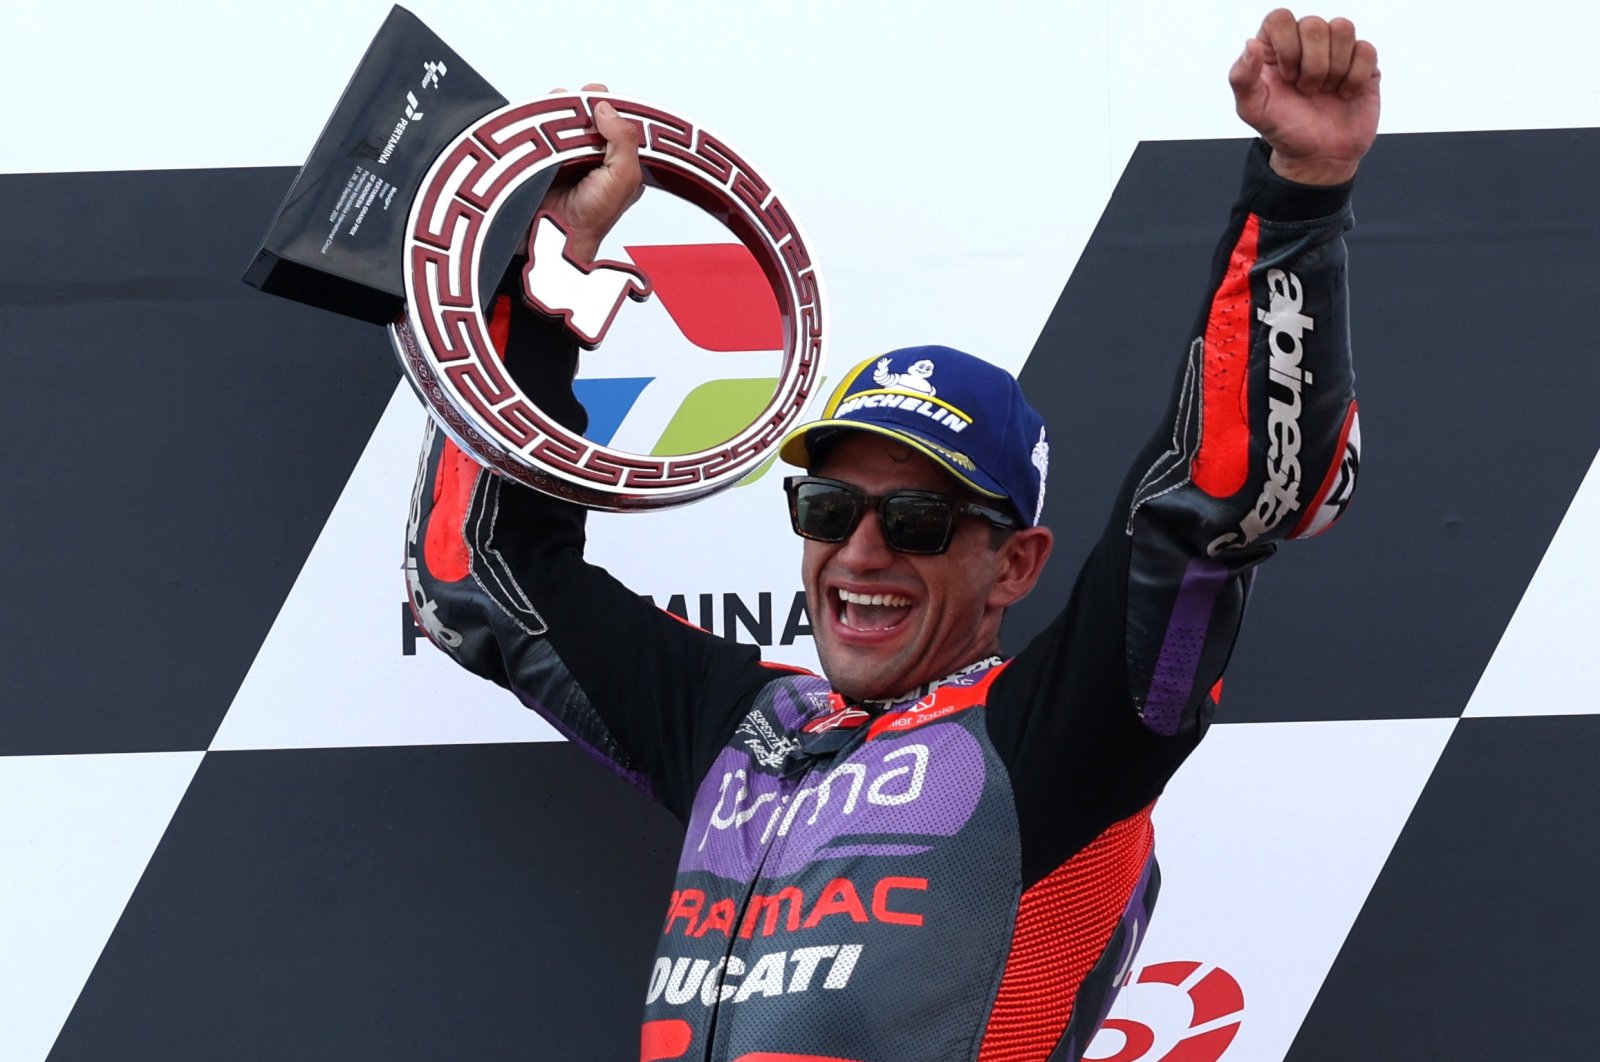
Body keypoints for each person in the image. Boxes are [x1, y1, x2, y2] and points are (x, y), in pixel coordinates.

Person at [405, 9, 1378, 1060]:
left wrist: (1298, 197)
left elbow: (1211, 506)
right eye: (828, 509)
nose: (860, 552)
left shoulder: (1064, 737)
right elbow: (476, 578)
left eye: (915, 521)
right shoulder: (744, 727)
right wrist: (553, 271)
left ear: (1014, 563)